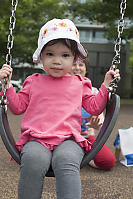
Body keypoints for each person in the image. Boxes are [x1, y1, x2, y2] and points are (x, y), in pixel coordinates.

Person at [0, 18, 120, 199]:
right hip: (36, 138)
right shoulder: (33, 81)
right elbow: (17, 107)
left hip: (69, 139)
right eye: (50, 54)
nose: (57, 61)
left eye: (65, 55)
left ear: (74, 58)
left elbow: (94, 107)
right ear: (40, 56)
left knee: (66, 160)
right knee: (33, 159)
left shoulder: (80, 83)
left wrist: (105, 85)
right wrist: (7, 85)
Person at [71, 60, 116, 170]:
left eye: (81, 65)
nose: (77, 68)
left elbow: (100, 121)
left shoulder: (93, 91)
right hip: (63, 137)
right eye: (73, 64)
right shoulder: (61, 89)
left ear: (86, 69)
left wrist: (96, 125)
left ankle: (85, 158)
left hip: (85, 137)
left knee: (108, 161)